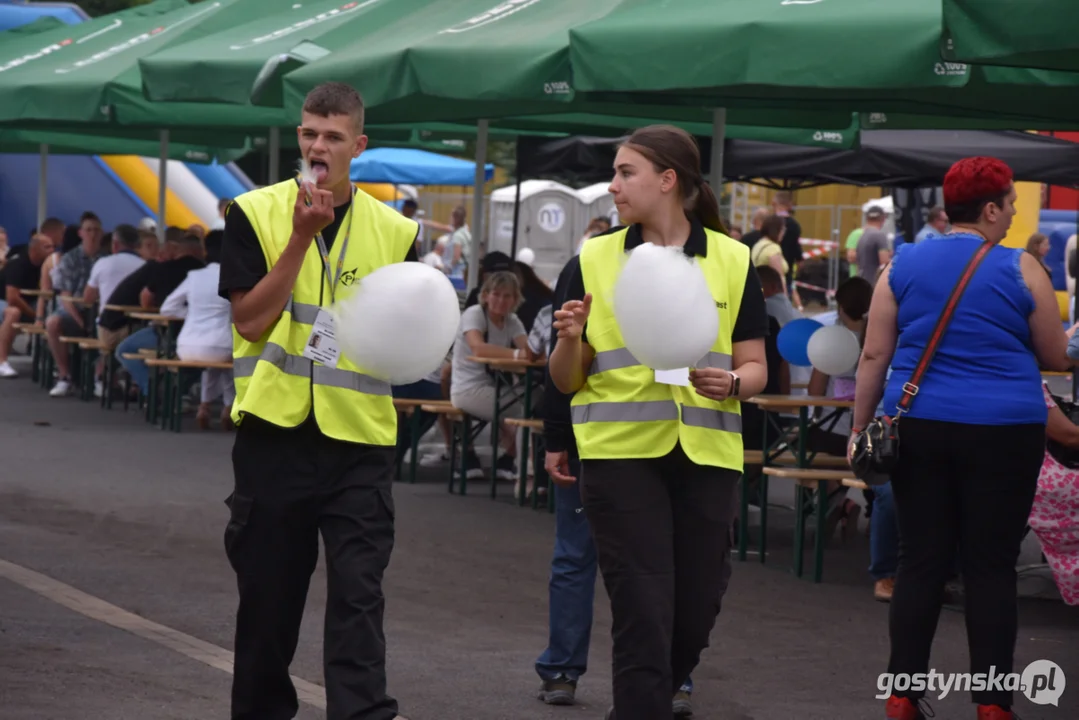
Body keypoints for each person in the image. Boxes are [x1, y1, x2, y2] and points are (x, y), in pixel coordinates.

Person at [546, 125, 769, 720]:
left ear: (668, 181)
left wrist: (735, 383)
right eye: (614, 173)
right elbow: (566, 379)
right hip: (618, 455)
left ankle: (647, 697)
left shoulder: (732, 259)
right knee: (643, 606)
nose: (612, 185)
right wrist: (568, 341)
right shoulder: (592, 260)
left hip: (708, 455)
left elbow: (756, 366)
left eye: (625, 173)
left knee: (695, 609)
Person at [217, 82, 419, 720]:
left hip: (359, 441)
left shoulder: (397, 230)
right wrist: (302, 238)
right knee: (269, 605)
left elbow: (407, 334)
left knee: (359, 598)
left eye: (333, 136)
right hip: (275, 437)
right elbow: (250, 321)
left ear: (359, 145)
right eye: (309, 133)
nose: (317, 146)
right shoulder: (254, 212)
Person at [851, 157, 1075, 720]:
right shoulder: (1023, 268)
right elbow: (1053, 355)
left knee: (920, 560)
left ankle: (903, 695)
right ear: (992, 207)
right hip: (1005, 430)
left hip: (920, 424)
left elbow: (875, 354)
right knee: (991, 565)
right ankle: (992, 705)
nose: (1014, 215)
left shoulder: (900, 265)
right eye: (1011, 205)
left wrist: (860, 428)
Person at [159, 230, 234, 431]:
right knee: (229, 363)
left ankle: (205, 407)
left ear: (205, 250)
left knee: (213, 365)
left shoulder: (194, 276)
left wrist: (192, 313)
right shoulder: (234, 276)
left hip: (187, 346)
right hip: (221, 344)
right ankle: (228, 408)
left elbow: (167, 308)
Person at [0, 233, 54, 378]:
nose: (52, 250)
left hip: (31, 302)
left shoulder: (47, 265)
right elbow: (12, 297)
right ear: (35, 250)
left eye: (53, 246)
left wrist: (41, 315)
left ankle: (52, 363)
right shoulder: (18, 264)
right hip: (3, 302)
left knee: (55, 314)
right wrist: (36, 316)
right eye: (47, 247)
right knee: (13, 312)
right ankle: (2, 362)